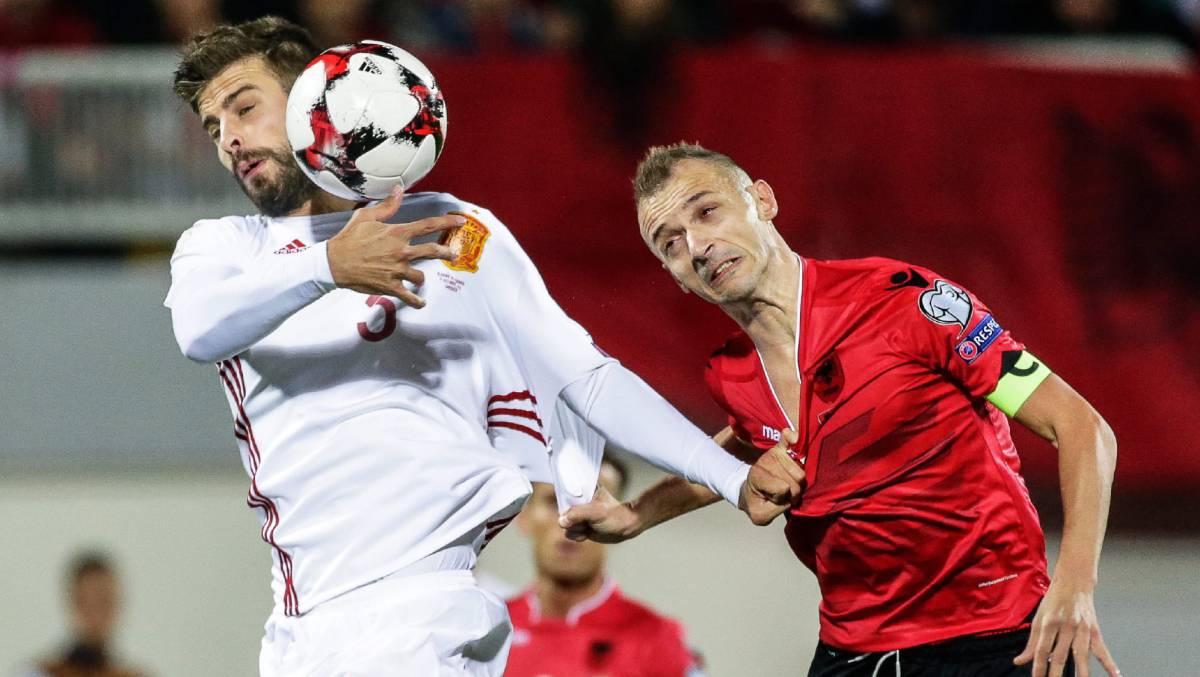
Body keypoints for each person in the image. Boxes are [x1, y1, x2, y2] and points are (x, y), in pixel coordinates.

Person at [165, 19, 797, 676]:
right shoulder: (225, 248)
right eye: (214, 128)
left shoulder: (454, 233)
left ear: (314, 101)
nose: (231, 139)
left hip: (414, 617)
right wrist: (331, 262)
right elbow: (198, 329)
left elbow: (588, 377)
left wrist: (732, 477)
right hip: (300, 628)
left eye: (243, 106)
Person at [560, 142, 1121, 677]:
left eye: (707, 212)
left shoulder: (907, 302)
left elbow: (1080, 427)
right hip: (853, 651)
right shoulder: (729, 374)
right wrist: (635, 515)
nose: (697, 246)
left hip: (997, 635)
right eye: (671, 243)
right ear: (674, 277)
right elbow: (745, 443)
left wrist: (1074, 586)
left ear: (763, 200)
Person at [507, 455, 704, 677]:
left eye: (592, 505)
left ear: (616, 521)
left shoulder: (656, 639)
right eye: (555, 502)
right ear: (523, 517)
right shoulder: (487, 627)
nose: (570, 519)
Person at [22, 551, 147, 677]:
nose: (97, 615)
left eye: (105, 602)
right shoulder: (39, 673)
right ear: (72, 603)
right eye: (88, 602)